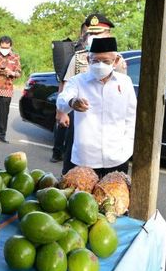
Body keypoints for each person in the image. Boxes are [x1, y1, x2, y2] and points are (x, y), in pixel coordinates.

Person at [56, 37, 136, 178]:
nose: (100, 65)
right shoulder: (78, 81)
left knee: (114, 198)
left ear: (116, 61)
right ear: (88, 60)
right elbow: (62, 99)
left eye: (105, 61)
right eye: (95, 61)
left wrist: (127, 148)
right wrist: (72, 102)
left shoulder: (125, 82)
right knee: (82, 198)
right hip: (85, 158)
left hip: (117, 157)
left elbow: (131, 117)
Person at [51, 23, 88, 163]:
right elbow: (64, 81)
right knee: (64, 128)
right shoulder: (75, 54)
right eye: (86, 33)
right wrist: (60, 111)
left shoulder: (107, 56)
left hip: (88, 108)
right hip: (73, 101)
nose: (89, 36)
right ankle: (57, 152)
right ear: (81, 35)